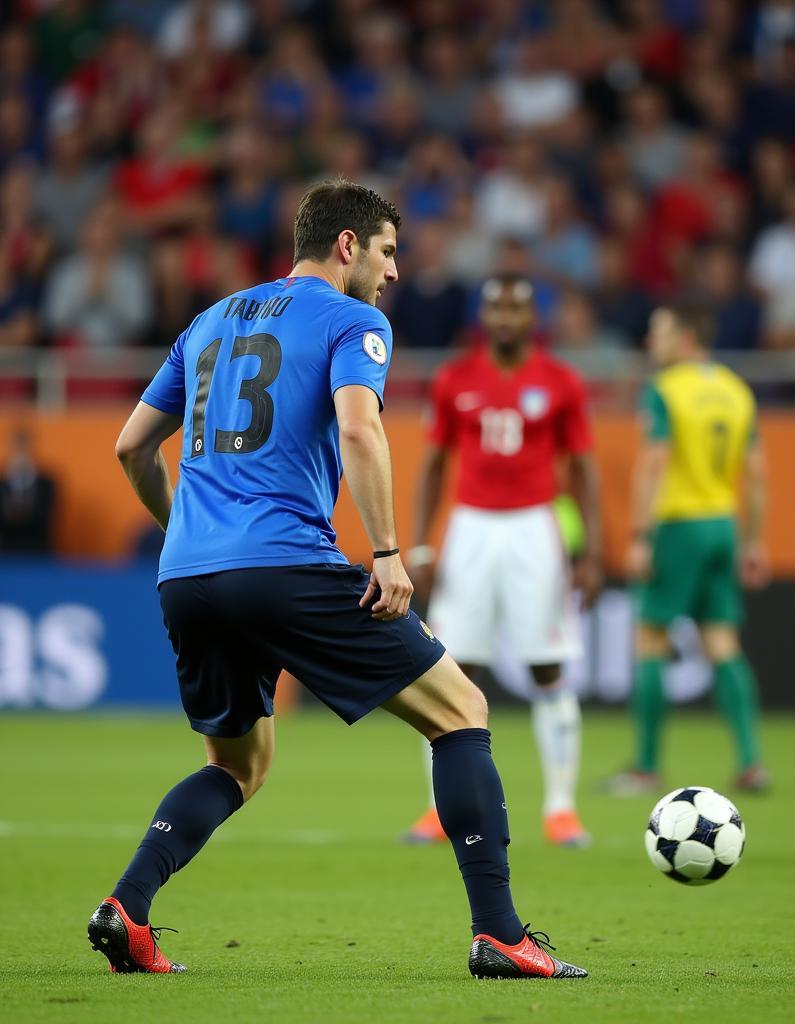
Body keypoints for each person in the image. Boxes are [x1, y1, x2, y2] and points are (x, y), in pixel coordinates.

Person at [87, 179, 586, 981]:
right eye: (388, 252)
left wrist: (184, 529)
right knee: (461, 711)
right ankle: (500, 934)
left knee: (236, 767)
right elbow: (359, 426)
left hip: (186, 575)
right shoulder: (356, 321)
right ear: (348, 245)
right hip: (284, 561)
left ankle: (128, 909)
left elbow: (130, 448)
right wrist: (387, 551)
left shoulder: (208, 322)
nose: (392, 273)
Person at [402, 273, 603, 849]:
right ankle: (440, 809)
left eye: (517, 306)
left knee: (548, 668)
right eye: (496, 307)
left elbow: (584, 468)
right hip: (470, 528)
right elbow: (434, 464)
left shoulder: (560, 380)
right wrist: (419, 545)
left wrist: (589, 549)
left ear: (531, 315)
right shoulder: (455, 378)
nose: (507, 316)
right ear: (483, 316)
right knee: (449, 673)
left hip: (535, 527)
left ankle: (561, 809)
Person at [608, 306, 770, 796]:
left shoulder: (666, 390)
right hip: (723, 522)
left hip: (678, 525)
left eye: (658, 331)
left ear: (684, 336)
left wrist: (639, 535)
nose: (650, 341)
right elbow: (758, 473)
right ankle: (751, 761)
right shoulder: (736, 389)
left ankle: (647, 766)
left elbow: (655, 462)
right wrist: (755, 539)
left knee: (651, 640)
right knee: (722, 642)